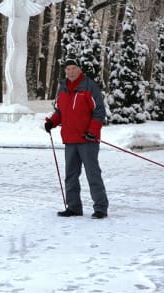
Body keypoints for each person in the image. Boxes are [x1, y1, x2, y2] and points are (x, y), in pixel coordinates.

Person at [44, 57, 109, 219]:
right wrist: (52, 122)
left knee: (93, 174)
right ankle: (73, 207)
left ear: (80, 70)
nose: (70, 72)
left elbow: (99, 111)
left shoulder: (89, 86)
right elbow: (60, 111)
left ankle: (100, 208)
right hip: (70, 140)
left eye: (73, 68)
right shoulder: (63, 88)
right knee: (71, 175)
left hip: (88, 140)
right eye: (67, 69)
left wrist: (92, 131)